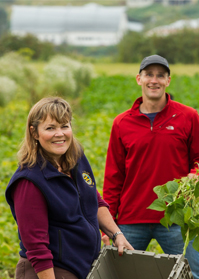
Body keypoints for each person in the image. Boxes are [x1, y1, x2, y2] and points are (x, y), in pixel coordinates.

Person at [103, 54, 199, 279]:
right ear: (139, 79)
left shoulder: (187, 116)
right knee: (118, 276)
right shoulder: (122, 123)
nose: (154, 80)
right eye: (149, 75)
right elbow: (114, 177)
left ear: (168, 81)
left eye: (160, 75)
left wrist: (193, 178)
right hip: (131, 217)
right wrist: (109, 225)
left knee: (194, 276)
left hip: (174, 216)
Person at [7, 97, 134, 279]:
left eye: (64, 126)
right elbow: (37, 248)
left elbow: (93, 200)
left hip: (81, 267)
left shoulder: (76, 158)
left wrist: (116, 234)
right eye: (50, 128)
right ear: (34, 133)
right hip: (49, 271)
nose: (60, 134)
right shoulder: (29, 181)